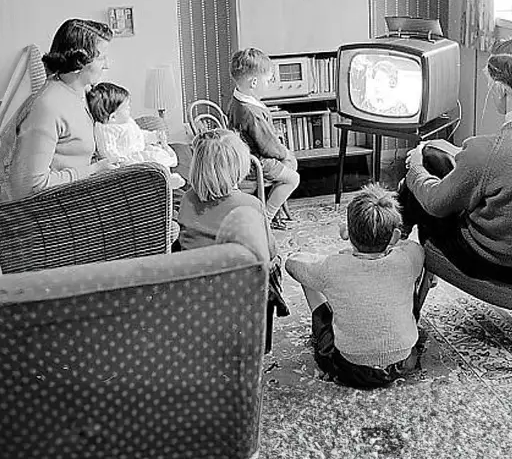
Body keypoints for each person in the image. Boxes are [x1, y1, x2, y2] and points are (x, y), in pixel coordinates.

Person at [399, 35, 512, 284]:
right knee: (434, 155)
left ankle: (388, 244)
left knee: (416, 187)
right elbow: (501, 168)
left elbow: (436, 204)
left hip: (486, 259)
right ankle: (393, 235)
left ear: (502, 89)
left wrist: (414, 168)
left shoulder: (489, 151)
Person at [286, 183, 430, 390]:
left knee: (309, 279)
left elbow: (293, 262)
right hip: (405, 362)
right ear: (395, 236)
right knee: (406, 284)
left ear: (349, 235)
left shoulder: (332, 267)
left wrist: (347, 243)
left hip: (350, 367)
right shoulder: (408, 258)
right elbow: (414, 247)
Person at [0, 19, 118, 202]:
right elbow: (30, 186)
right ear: (79, 61)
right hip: (51, 213)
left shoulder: (82, 93)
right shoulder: (48, 107)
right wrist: (94, 170)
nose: (107, 64)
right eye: (101, 58)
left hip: (77, 196)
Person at [177, 128, 289, 330]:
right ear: (239, 167)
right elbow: (269, 252)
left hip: (195, 285)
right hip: (236, 289)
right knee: (275, 261)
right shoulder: (249, 204)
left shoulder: (187, 198)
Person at [226, 48, 300, 229]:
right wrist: (284, 152)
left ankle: (272, 210)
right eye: (268, 80)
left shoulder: (237, 101)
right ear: (254, 82)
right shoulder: (252, 114)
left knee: (290, 164)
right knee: (293, 178)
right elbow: (268, 147)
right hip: (257, 163)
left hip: (245, 158)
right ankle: (267, 216)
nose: (270, 83)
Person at [86, 82, 185, 189]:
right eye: (126, 107)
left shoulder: (127, 121)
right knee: (151, 162)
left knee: (159, 154)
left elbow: (138, 135)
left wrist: (154, 136)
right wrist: (119, 161)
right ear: (113, 117)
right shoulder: (106, 129)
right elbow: (107, 150)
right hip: (128, 161)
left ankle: (168, 177)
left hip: (139, 151)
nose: (130, 109)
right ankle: (163, 182)